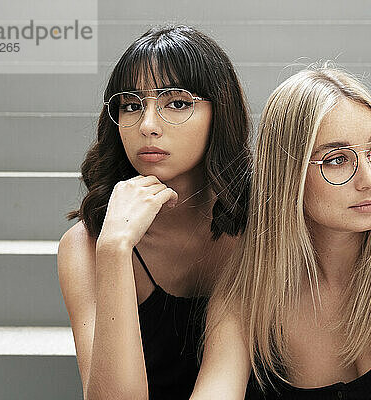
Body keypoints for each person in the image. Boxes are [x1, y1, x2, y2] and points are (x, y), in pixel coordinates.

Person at [190, 66, 371, 400]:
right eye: (337, 160)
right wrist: (113, 250)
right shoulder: (246, 292)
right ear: (287, 176)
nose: (369, 179)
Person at [57, 25, 251, 400]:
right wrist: (114, 249)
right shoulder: (86, 246)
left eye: (176, 103)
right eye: (131, 105)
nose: (147, 126)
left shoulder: (266, 222)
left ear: (220, 111)